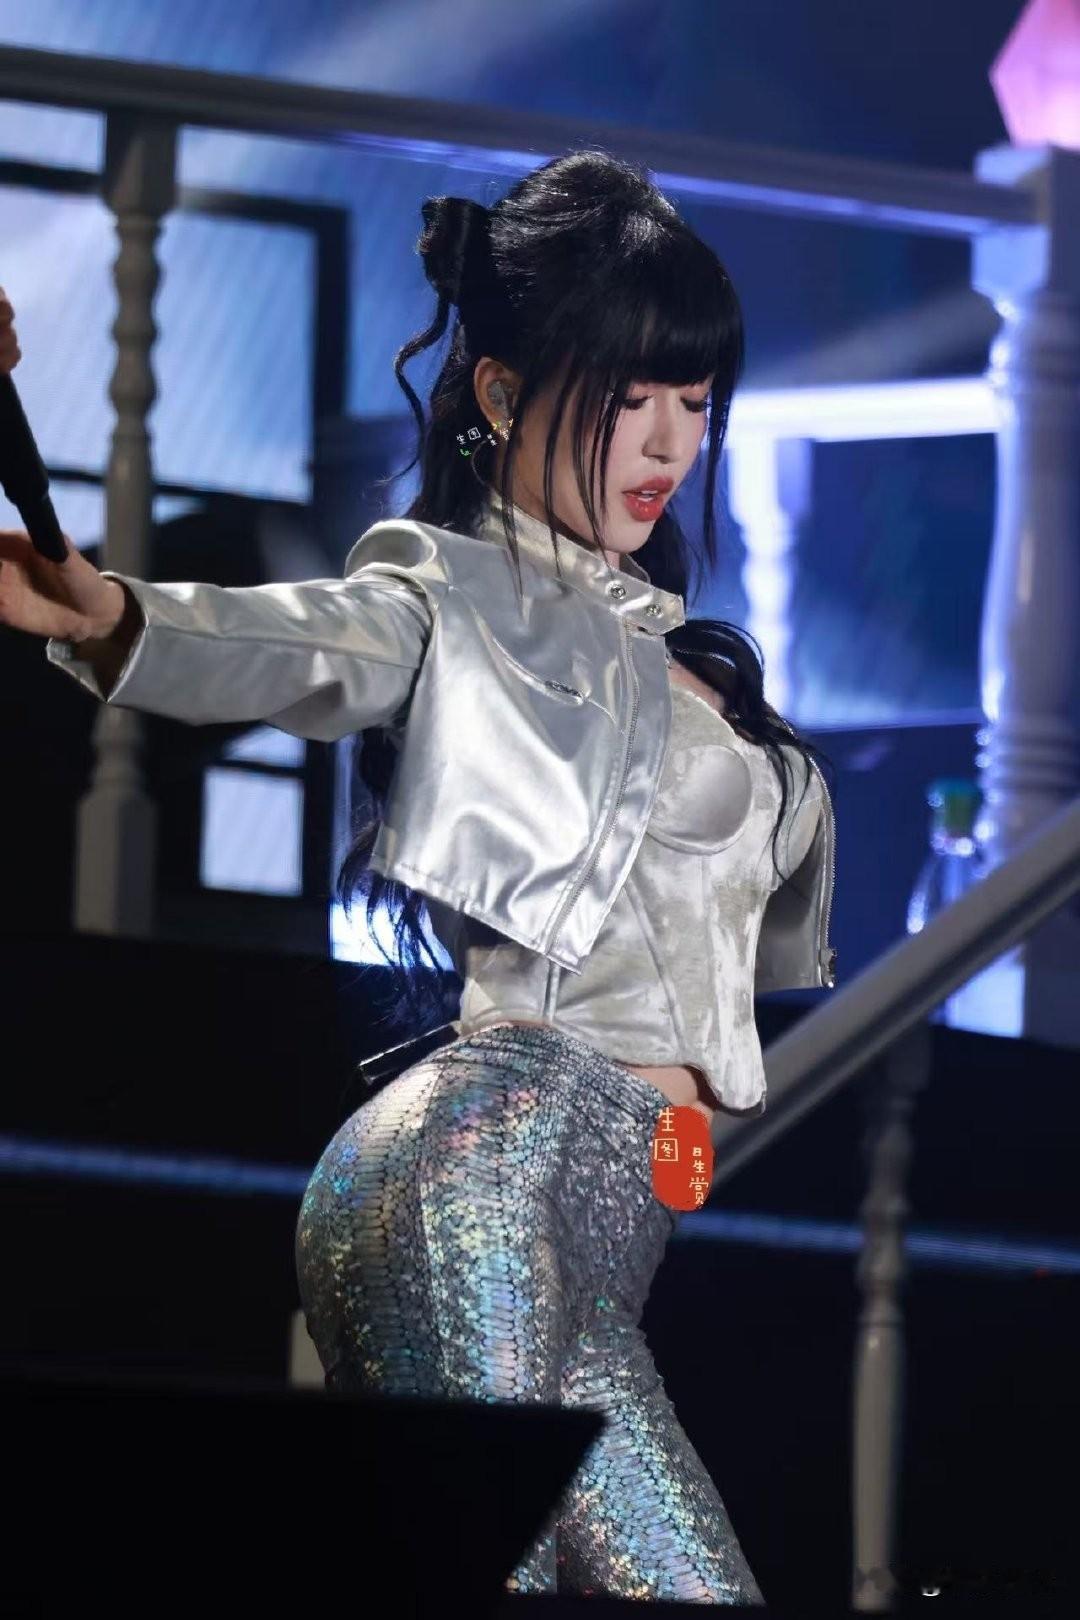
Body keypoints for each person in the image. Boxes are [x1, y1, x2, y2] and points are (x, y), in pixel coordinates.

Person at [0, 149, 837, 1603]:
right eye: (627, 396)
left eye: (695, 401)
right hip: (482, 1174)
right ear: (502, 394)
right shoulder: (455, 598)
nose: (668, 443)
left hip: (604, 1229)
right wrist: (117, 616)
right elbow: (313, 645)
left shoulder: (671, 650)